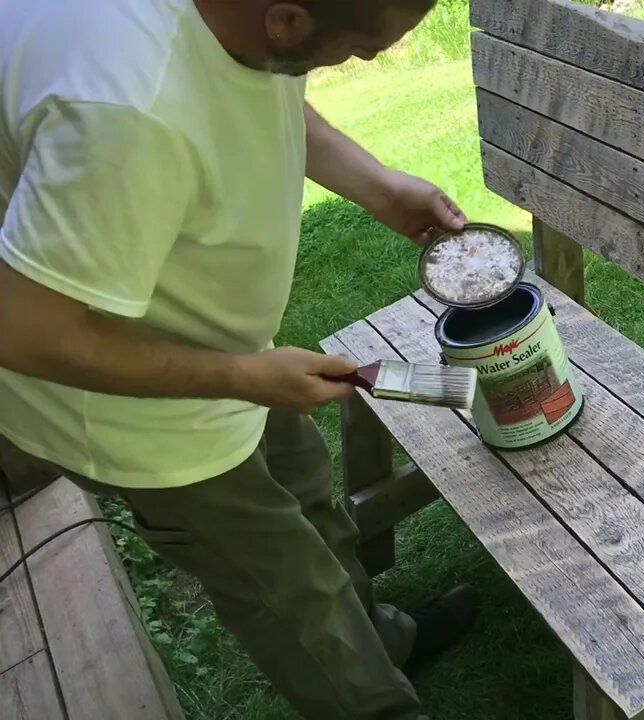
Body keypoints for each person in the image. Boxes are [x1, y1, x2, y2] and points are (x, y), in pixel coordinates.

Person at [0, 1, 478, 718]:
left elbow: (264, 90)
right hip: (122, 402)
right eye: (359, 45)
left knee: (312, 499)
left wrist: (376, 184)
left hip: (221, 347)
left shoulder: (243, 23)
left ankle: (383, 641)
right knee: (287, 592)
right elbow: (27, 332)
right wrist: (244, 377)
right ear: (285, 20)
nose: (374, 60)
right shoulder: (124, 111)